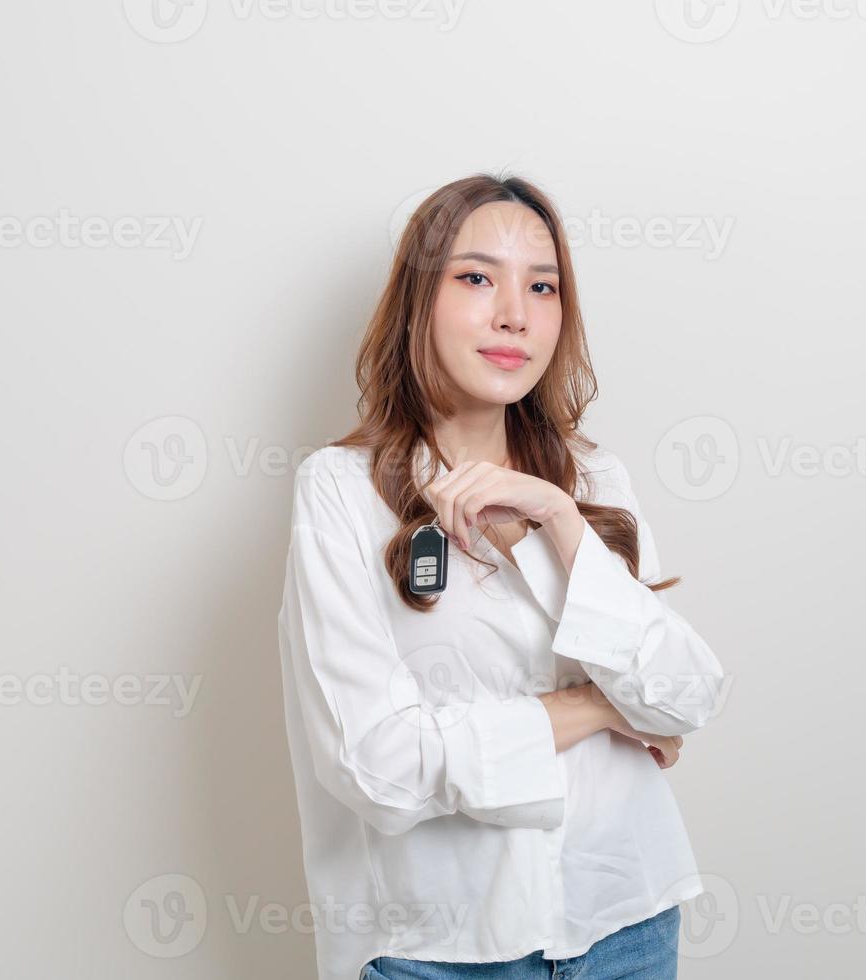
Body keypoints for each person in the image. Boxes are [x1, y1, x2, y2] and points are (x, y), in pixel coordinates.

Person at [277, 173, 727, 980]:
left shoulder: (595, 481)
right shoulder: (339, 492)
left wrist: (557, 519)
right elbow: (378, 767)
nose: (515, 313)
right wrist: (594, 706)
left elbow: (686, 697)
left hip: (626, 921)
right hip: (444, 951)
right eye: (477, 277)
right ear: (420, 298)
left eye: (542, 286)